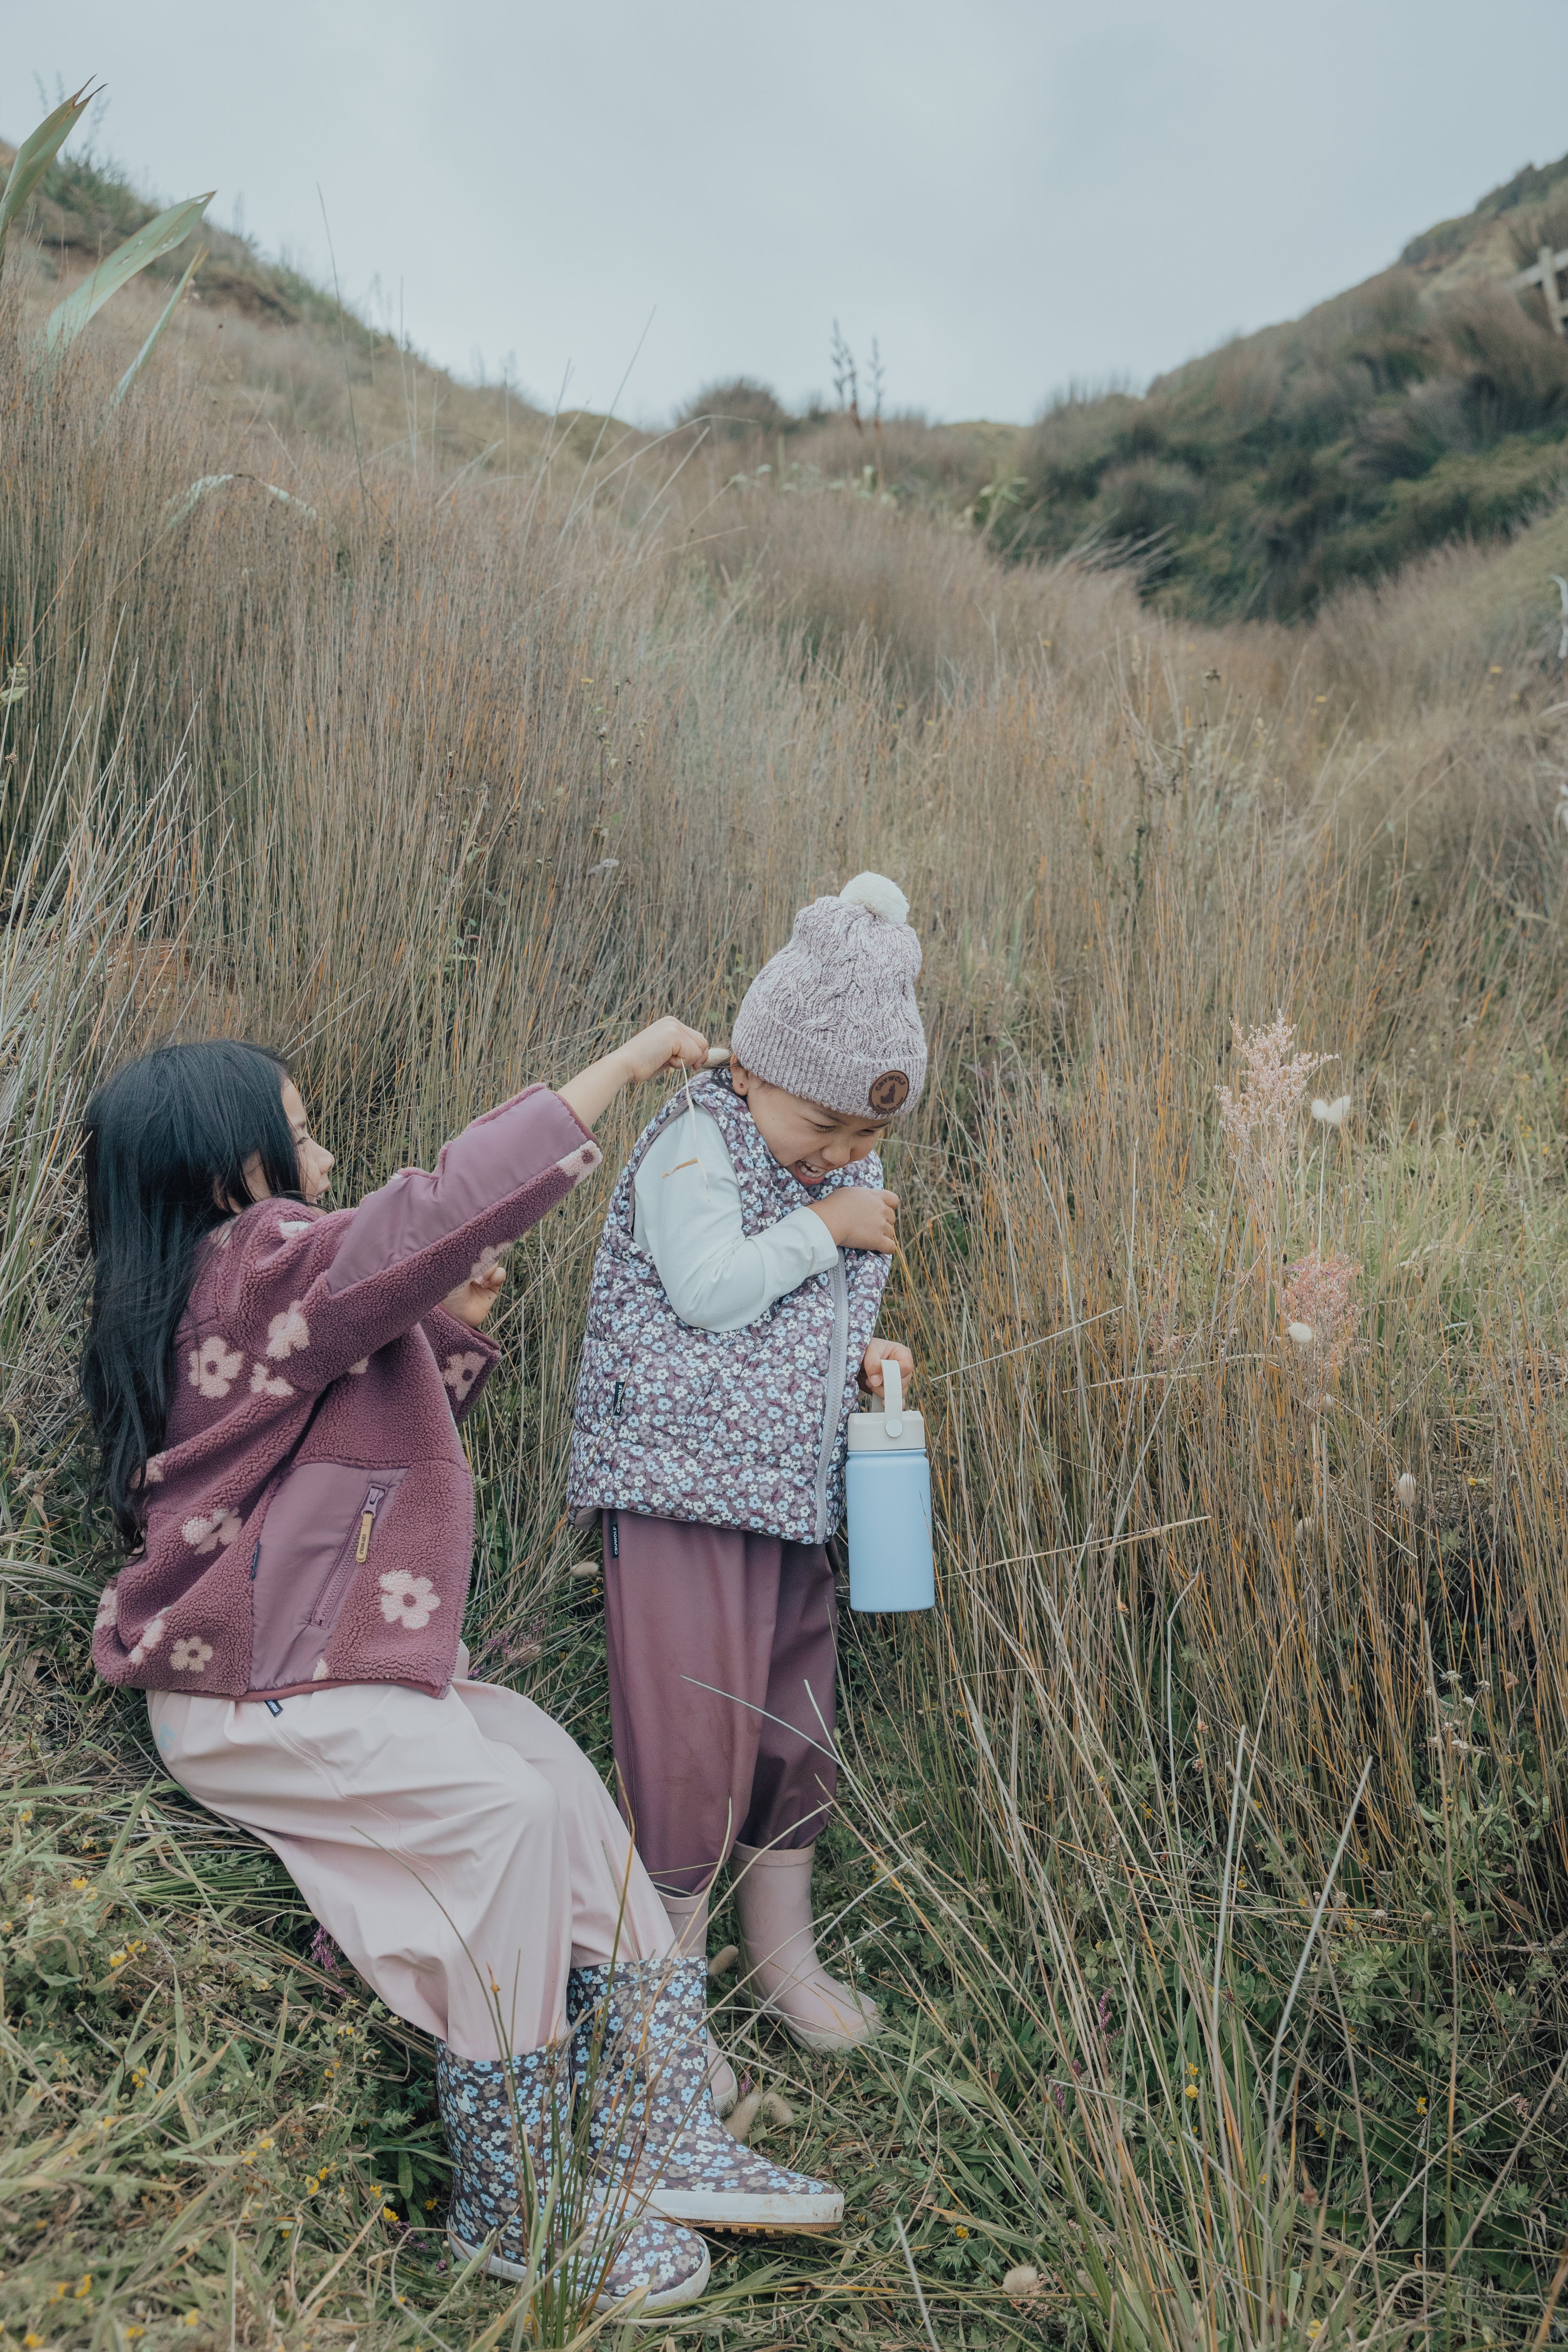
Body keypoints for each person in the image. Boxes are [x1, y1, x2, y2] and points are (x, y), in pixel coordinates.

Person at [80, 1028, 848, 2322]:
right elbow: (432, 1210)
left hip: (316, 1668)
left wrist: (451, 1329)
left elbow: (336, 1442)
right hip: (258, 1693)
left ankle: (652, 2127)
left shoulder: (237, 1293)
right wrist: (620, 1068)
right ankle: (519, 2199)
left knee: (550, 1769)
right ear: (230, 1171)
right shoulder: (254, 1261)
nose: (322, 1155)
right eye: (302, 1129)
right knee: (509, 1823)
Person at [567, 874, 924, 2098]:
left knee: (791, 1722)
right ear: (759, 1069)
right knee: (691, 1737)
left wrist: (857, 1353)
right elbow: (713, 1285)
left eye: (864, 1144)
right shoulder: (695, 1143)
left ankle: (784, 1959)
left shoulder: (821, 1168)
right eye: (824, 1127)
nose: (840, 1158)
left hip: (785, 1496)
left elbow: (791, 1311)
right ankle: (664, 2002)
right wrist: (830, 1234)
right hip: (675, 1494)